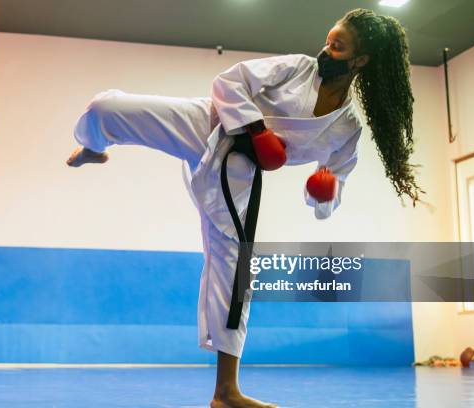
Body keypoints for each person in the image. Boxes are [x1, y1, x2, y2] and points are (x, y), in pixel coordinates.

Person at [67, 8, 424, 408]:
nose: (326, 48)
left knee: (236, 277)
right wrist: (257, 129)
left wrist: (323, 194)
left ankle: (226, 393)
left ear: (360, 60)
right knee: (105, 108)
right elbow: (229, 81)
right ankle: (94, 148)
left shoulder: (346, 129)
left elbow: (334, 186)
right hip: (209, 124)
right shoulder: (297, 68)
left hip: (239, 174)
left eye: (338, 47)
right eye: (329, 39)